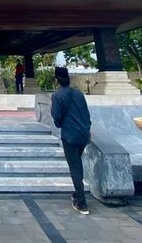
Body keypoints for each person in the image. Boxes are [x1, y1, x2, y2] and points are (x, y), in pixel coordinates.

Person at [51, 67, 91, 215]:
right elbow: (86, 113)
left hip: (70, 135)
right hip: (83, 134)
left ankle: (82, 202)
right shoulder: (79, 93)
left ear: (57, 80)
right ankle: (77, 194)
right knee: (77, 164)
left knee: (74, 166)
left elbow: (56, 115)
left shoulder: (57, 95)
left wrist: (60, 125)